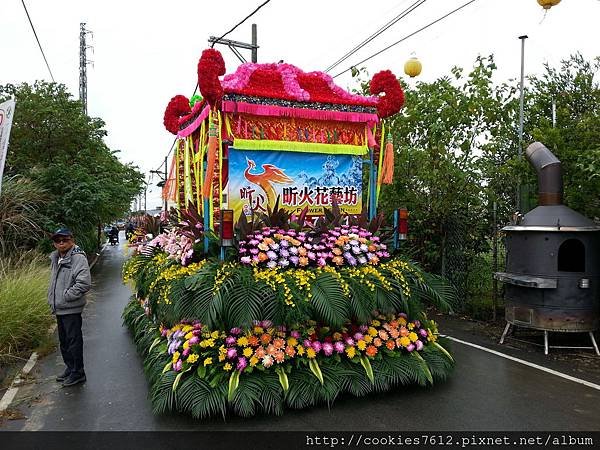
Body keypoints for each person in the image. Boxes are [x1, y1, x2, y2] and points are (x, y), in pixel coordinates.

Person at [47, 228, 91, 387]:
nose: (60, 243)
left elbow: (84, 283)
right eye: (57, 241)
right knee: (64, 342)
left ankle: (78, 373)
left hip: (70, 308)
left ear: (71, 240)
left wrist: (65, 297)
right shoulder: (56, 257)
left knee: (73, 341)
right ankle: (71, 367)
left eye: (64, 240)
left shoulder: (78, 258)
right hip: (60, 308)